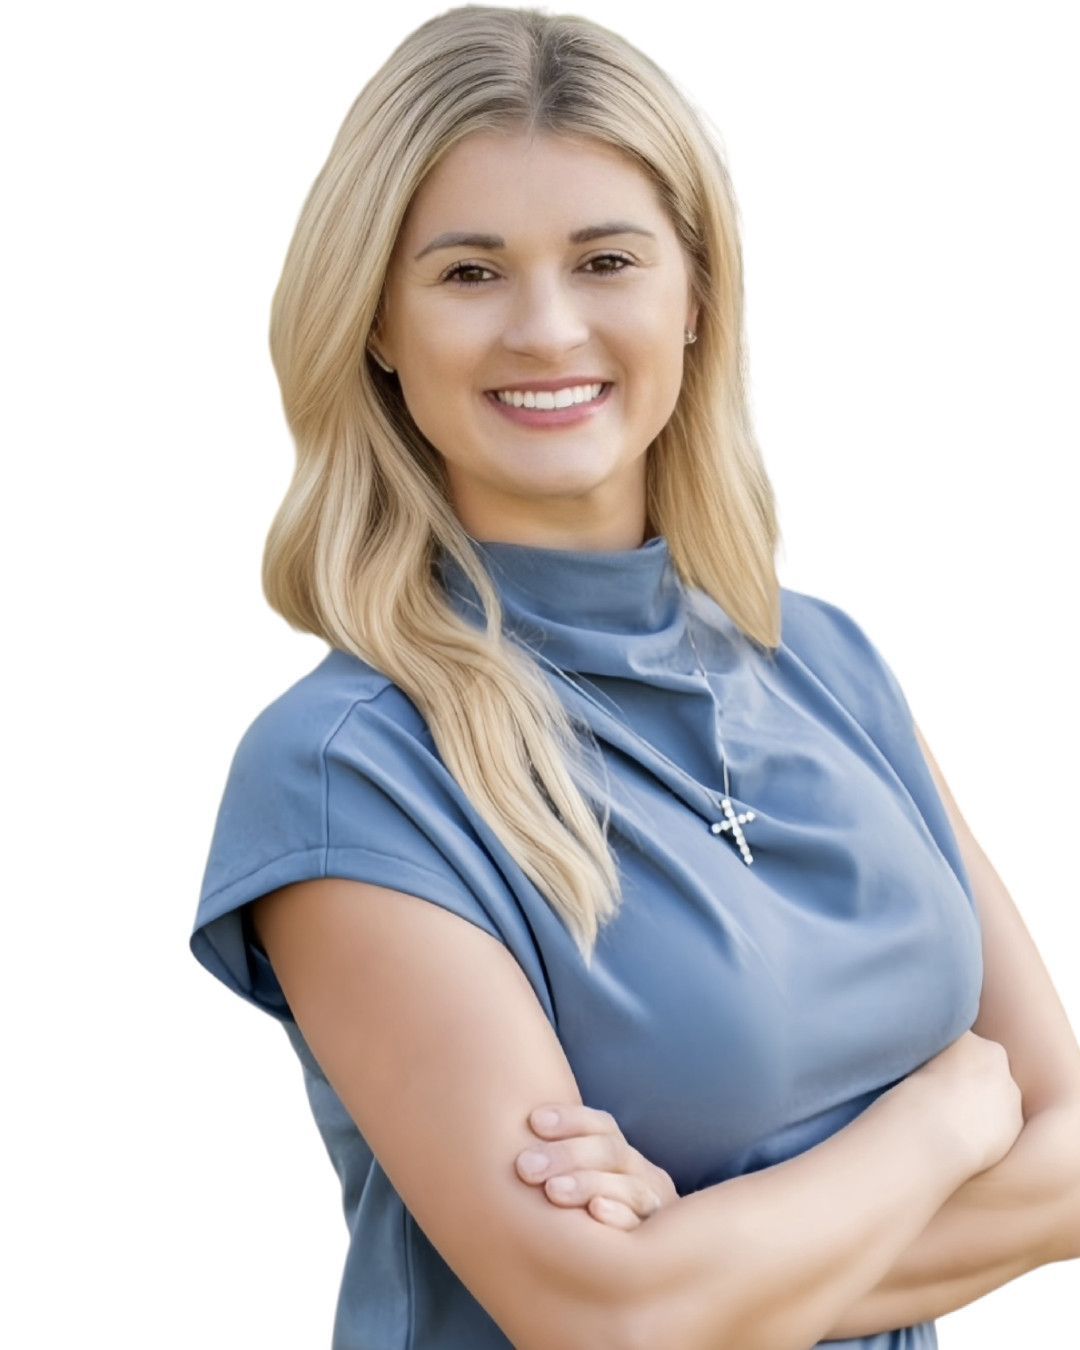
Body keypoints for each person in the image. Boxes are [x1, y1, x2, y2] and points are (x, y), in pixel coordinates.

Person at [189, 7, 1048, 1348]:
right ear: (375, 324)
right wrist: (943, 1119)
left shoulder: (827, 662)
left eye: (605, 261)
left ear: (694, 297)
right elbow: (602, 1319)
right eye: (469, 274)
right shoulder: (350, 768)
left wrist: (702, 1266)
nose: (546, 327)